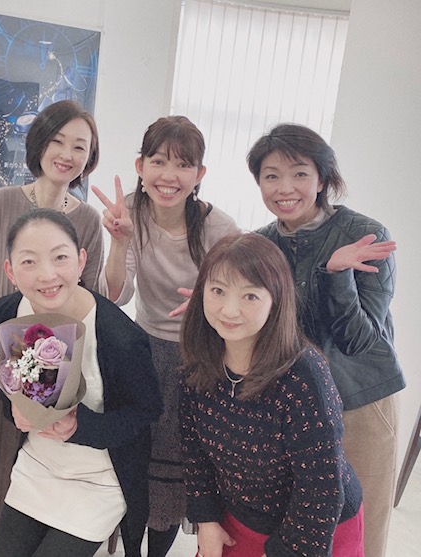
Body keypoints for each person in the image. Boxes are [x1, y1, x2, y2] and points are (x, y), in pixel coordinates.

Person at [0, 99, 105, 556]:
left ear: (89, 157)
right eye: (58, 141)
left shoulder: (89, 220)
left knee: (42, 468)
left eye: (80, 146)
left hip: (60, 368)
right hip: (2, 360)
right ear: (39, 144)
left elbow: (94, 300)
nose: (67, 154)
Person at [247, 123, 405, 557]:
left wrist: (336, 276)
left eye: (299, 173)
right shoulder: (261, 245)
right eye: (271, 175)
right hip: (292, 407)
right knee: (299, 527)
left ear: (322, 179)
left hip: (359, 402)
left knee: (362, 528)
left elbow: (359, 340)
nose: (285, 188)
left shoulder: (365, 234)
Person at [93, 116, 239, 556]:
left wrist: (209, 301)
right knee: (133, 458)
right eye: (158, 161)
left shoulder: (219, 228)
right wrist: (119, 242)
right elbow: (116, 295)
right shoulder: (129, 213)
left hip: (200, 356)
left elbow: (240, 295)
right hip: (145, 350)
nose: (169, 175)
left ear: (199, 174)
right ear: (140, 166)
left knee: (173, 471)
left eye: (183, 164)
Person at [0, 208, 162, 557]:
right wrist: (14, 411)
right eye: (29, 261)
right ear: (10, 271)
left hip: (100, 479)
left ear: (81, 261)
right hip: (37, 466)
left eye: (60, 257)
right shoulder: (6, 313)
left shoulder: (119, 336)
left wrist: (81, 427)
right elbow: (9, 383)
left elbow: (146, 412)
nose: (47, 274)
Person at [179, 232, 364, 557]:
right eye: (218, 291)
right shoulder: (199, 359)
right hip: (240, 514)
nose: (230, 310)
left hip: (316, 525)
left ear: (275, 301)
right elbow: (194, 449)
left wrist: (288, 551)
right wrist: (206, 519)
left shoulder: (304, 376)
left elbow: (321, 486)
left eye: (250, 296)